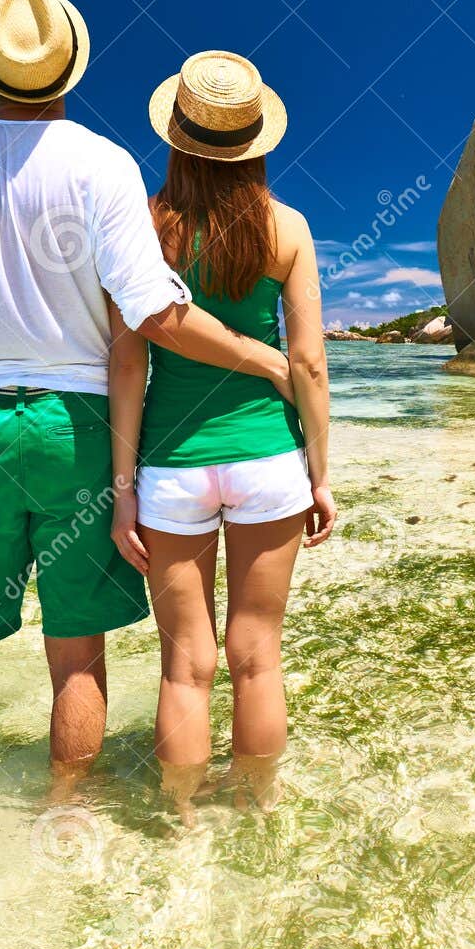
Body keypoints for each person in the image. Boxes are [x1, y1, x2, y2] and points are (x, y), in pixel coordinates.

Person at [0, 0, 294, 781]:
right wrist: (263, 359)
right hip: (79, 428)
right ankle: (69, 819)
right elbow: (154, 317)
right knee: (75, 658)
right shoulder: (103, 166)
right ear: (68, 67)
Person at [105, 50, 337, 805]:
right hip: (269, 459)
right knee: (257, 657)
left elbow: (126, 367)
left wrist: (121, 490)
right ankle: (258, 809)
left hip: (171, 467)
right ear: (255, 144)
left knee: (186, 666)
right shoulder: (289, 228)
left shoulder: (143, 224)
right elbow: (307, 364)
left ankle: (180, 823)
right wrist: (321, 475)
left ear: (177, 137)